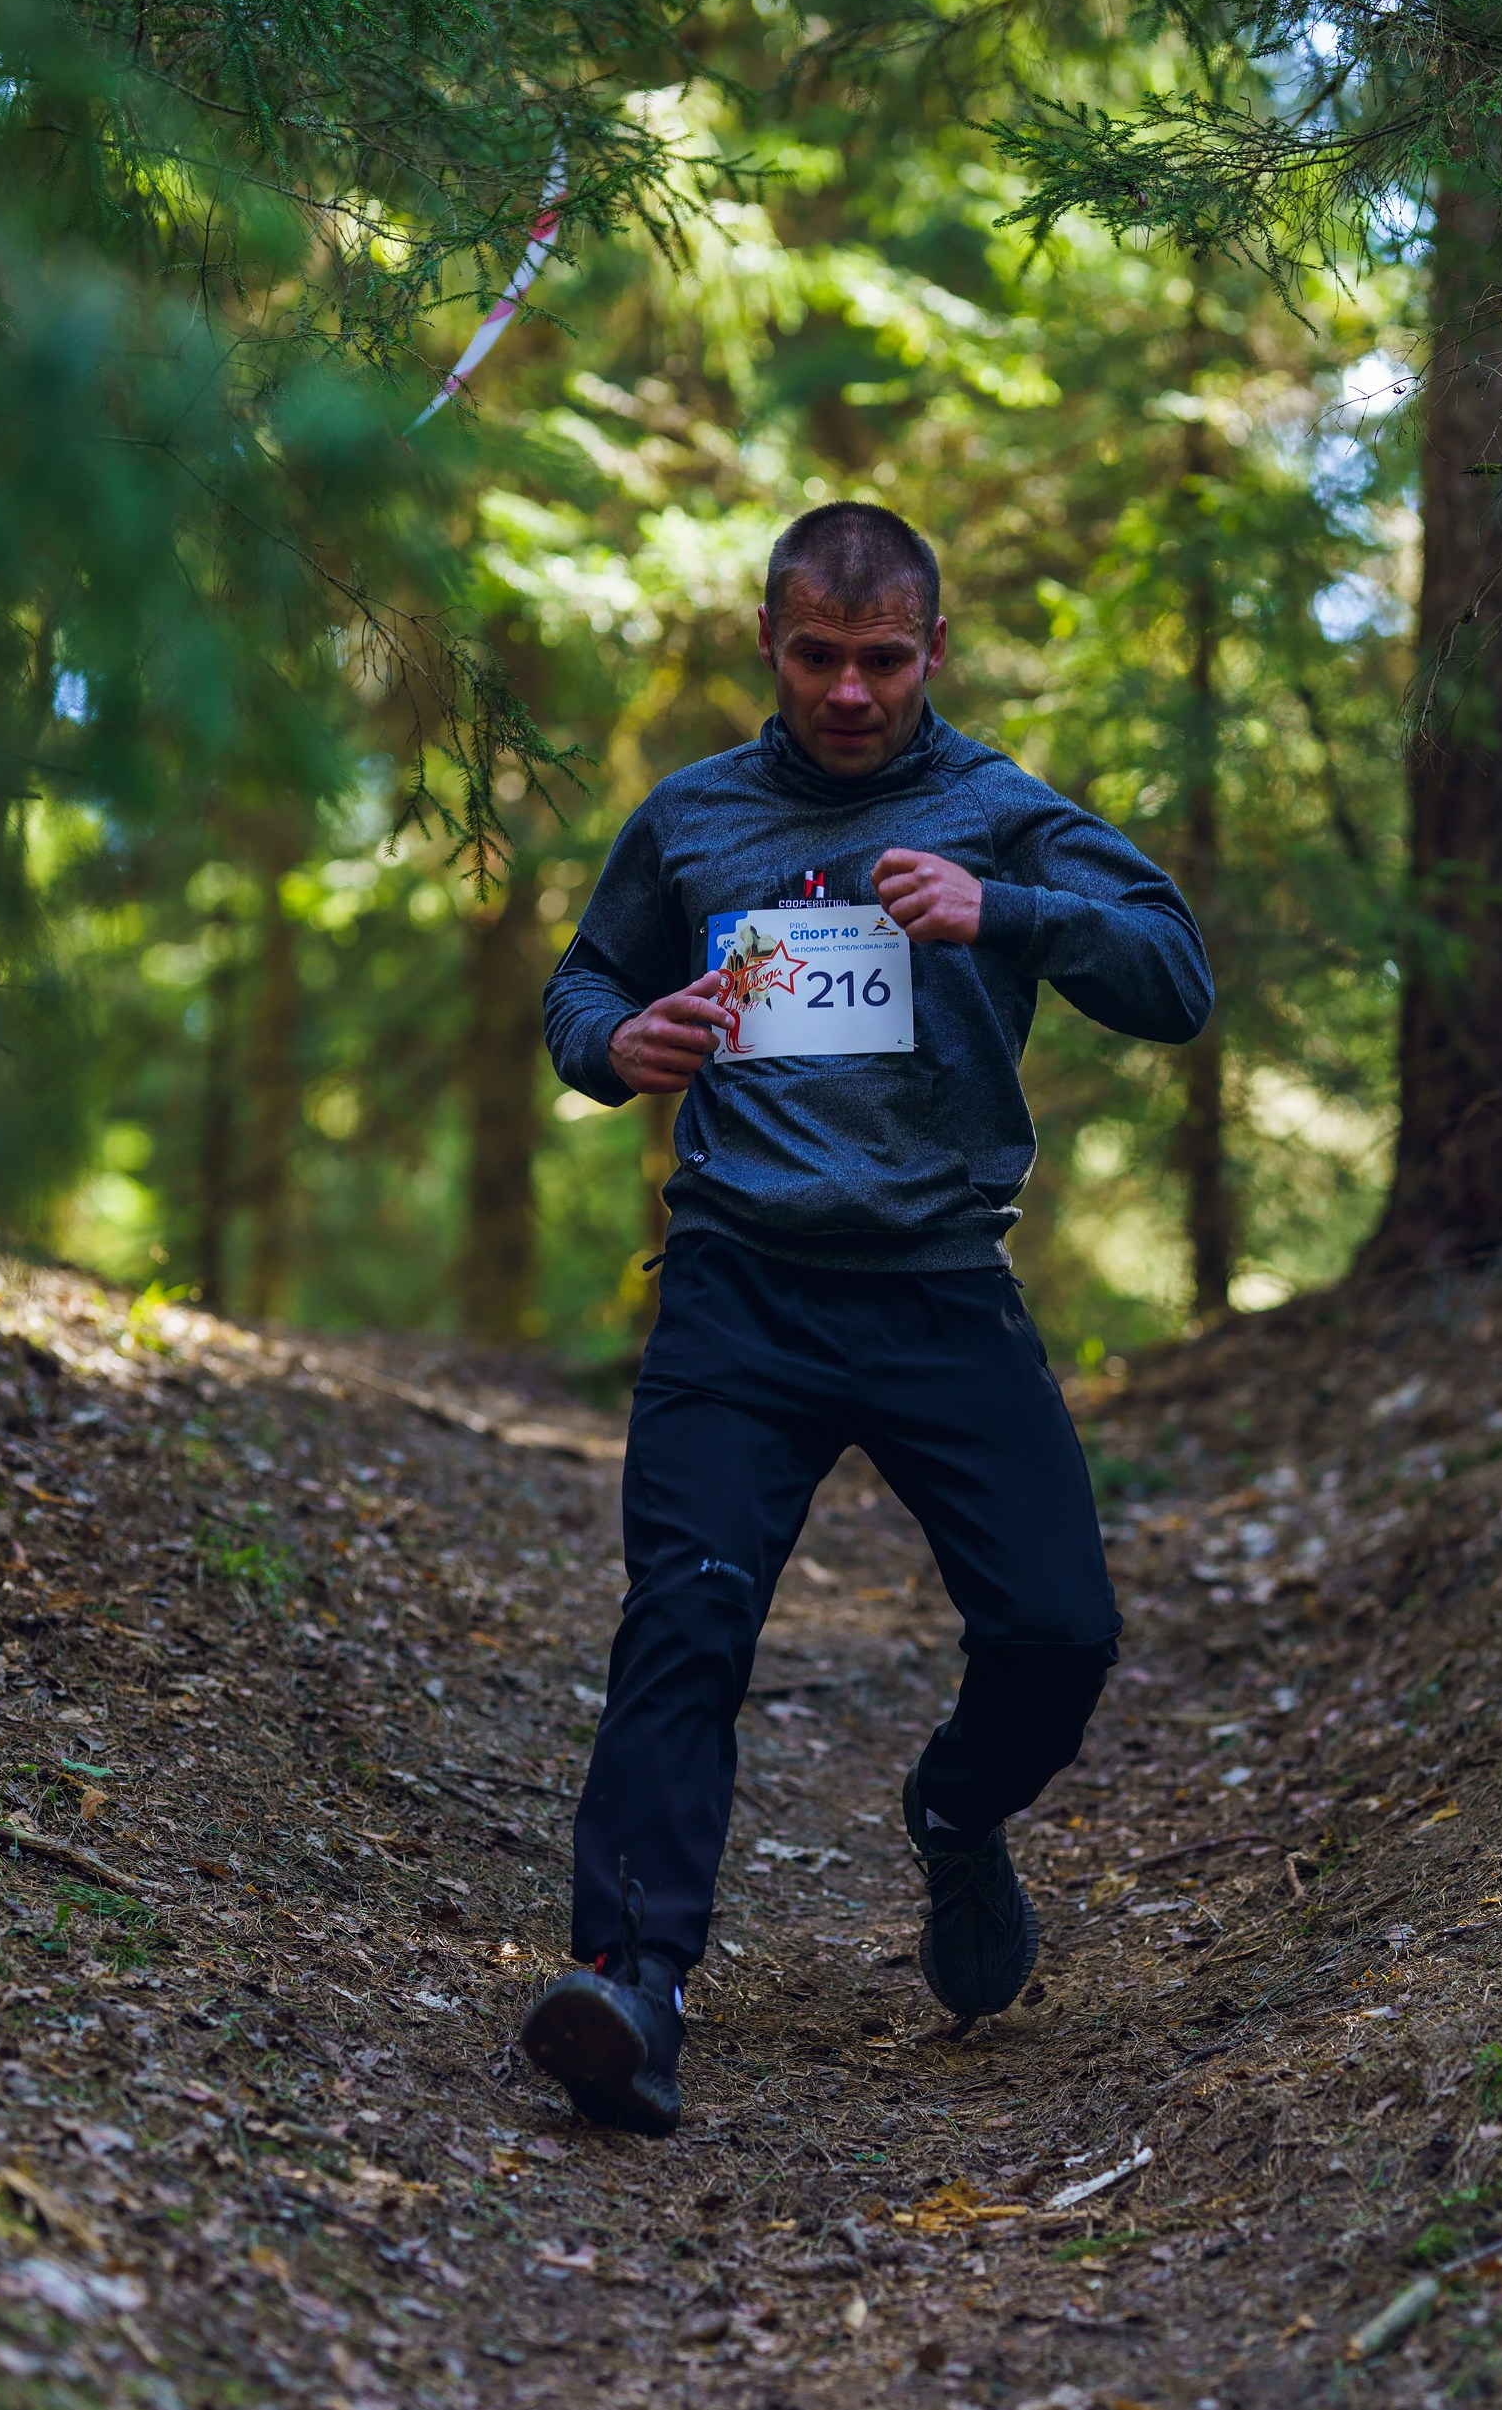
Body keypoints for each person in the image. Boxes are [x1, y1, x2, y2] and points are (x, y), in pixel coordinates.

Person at [519, 502, 1213, 2135]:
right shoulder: (692, 821)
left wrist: (1008, 912)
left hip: (939, 1289)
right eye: (818, 658)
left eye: (882, 660)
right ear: (769, 648)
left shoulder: (997, 810)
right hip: (738, 1291)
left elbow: (1175, 976)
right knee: (681, 1626)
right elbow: (577, 985)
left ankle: (956, 1817)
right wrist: (617, 1046)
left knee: (1059, 1636)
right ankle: (630, 1984)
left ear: (935, 653)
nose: (849, 692)